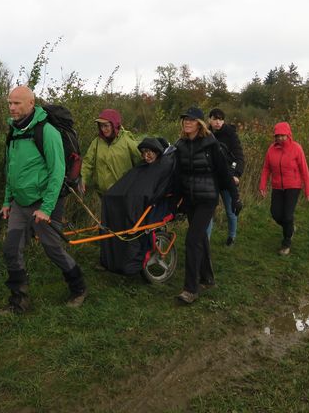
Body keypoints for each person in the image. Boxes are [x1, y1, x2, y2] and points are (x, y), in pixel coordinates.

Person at [0, 85, 86, 313]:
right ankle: (19, 302)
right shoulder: (14, 132)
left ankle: (78, 287)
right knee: (11, 249)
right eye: (9, 103)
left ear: (31, 103)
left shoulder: (47, 131)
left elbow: (57, 172)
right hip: (20, 203)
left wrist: (47, 208)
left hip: (44, 202)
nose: (12, 107)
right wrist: (7, 201)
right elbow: (12, 170)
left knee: (52, 248)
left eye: (17, 103)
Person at [174, 107, 242, 304]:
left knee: (192, 240)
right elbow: (178, 177)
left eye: (191, 120)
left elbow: (224, 174)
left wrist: (235, 197)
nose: (187, 122)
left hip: (208, 199)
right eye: (185, 119)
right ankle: (208, 279)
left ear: (200, 123)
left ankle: (190, 289)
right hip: (190, 200)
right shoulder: (180, 145)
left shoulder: (211, 144)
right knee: (201, 238)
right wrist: (176, 202)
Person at [99, 137, 175, 274]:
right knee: (109, 198)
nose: (146, 156)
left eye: (149, 152)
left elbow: (155, 188)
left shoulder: (162, 166)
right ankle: (112, 259)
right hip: (132, 198)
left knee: (131, 201)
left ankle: (130, 262)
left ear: (157, 151)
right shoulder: (142, 166)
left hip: (143, 201)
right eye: (143, 153)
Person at [258, 122, 309, 256]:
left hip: (293, 186)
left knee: (287, 216)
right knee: (276, 214)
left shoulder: (296, 148)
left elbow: (304, 170)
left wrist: (308, 190)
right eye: (278, 136)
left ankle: (286, 242)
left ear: (289, 135)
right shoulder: (271, 149)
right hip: (277, 186)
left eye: (283, 136)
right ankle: (290, 228)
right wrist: (262, 185)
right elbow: (266, 168)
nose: (281, 138)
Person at [80, 109, 142, 196]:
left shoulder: (127, 140)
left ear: (114, 125)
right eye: (101, 126)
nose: (103, 129)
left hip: (123, 194)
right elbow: (88, 162)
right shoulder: (97, 142)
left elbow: (141, 161)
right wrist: (83, 179)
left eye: (106, 126)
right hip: (103, 194)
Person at [207, 108, 245, 246]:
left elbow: (239, 156)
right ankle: (206, 242)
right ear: (209, 120)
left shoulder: (230, 134)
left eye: (220, 119)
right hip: (210, 180)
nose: (218, 122)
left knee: (230, 211)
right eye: (215, 119)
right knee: (209, 212)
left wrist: (236, 174)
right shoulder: (205, 134)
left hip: (227, 177)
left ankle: (231, 236)